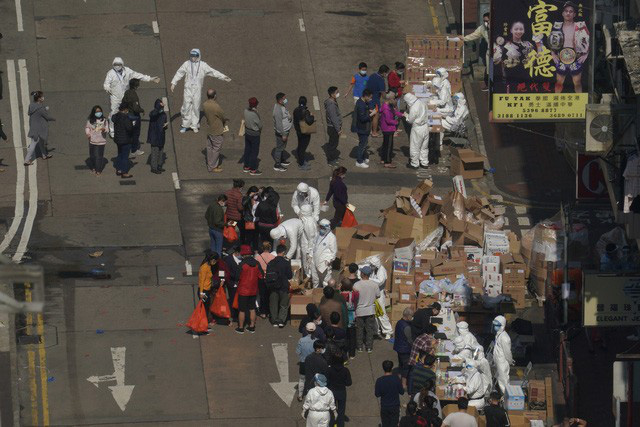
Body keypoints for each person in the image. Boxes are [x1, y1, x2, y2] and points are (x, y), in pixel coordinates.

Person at [170, 48, 231, 133]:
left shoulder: (203, 65)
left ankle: (194, 125)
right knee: (186, 107)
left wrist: (223, 77)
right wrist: (173, 83)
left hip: (197, 89)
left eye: (195, 57)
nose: (193, 58)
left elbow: (213, 72)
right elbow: (179, 73)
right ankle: (185, 125)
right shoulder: (186, 64)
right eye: (191, 56)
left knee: (196, 107)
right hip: (188, 89)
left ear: (198, 56)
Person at [103, 57, 159, 135]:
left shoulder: (127, 71)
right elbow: (106, 83)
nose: (117, 66)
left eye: (119, 64)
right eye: (115, 64)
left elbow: (138, 75)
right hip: (115, 97)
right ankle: (112, 129)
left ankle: (126, 126)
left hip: (126, 96)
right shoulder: (110, 73)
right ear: (113, 64)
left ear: (122, 64)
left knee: (127, 111)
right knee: (114, 112)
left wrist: (150, 79)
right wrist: (107, 88)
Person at [550, 2, 589, 93]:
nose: (568, 13)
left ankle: (579, 105)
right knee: (559, 82)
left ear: (574, 14)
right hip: (561, 56)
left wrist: (586, 54)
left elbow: (587, 41)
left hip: (576, 57)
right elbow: (552, 42)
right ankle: (556, 102)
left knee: (577, 82)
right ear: (563, 13)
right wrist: (553, 54)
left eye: (571, 11)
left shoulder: (580, 26)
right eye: (566, 11)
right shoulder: (557, 26)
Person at [492, 21, 535, 93]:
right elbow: (497, 61)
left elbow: (534, 61)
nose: (518, 31)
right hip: (510, 81)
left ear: (524, 30)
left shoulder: (528, 45)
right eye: (516, 29)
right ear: (511, 30)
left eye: (521, 29)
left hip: (526, 80)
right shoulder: (505, 46)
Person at [235, 244, 264, 334]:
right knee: (252, 308)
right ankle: (252, 326)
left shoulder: (242, 264)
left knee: (242, 310)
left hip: (243, 290)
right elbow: (261, 276)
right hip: (253, 290)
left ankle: (240, 328)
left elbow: (237, 277)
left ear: (243, 254)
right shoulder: (257, 263)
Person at [198, 251, 230, 324]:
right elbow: (202, 280)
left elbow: (226, 272)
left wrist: (223, 280)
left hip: (217, 286)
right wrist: (201, 292)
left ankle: (221, 318)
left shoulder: (219, 263)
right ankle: (210, 319)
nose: (214, 262)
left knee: (220, 303)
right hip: (210, 288)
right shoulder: (206, 266)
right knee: (210, 304)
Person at [353, 265, 380, 353]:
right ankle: (369, 347)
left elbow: (354, 298)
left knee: (359, 329)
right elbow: (378, 295)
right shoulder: (374, 285)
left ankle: (359, 346)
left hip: (359, 310)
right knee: (369, 330)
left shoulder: (356, 285)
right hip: (370, 310)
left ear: (363, 274)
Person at [24, 91, 54, 166]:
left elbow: (30, 113)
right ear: (39, 99)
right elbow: (47, 117)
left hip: (33, 126)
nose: (43, 98)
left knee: (41, 142)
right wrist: (54, 119)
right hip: (38, 128)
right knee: (33, 144)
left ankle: (44, 155)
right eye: (42, 97)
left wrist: (43, 109)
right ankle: (27, 160)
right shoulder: (40, 108)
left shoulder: (31, 105)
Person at [267, 244, 293, 327]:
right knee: (284, 305)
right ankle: (281, 320)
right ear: (283, 252)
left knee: (273, 304)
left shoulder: (271, 263)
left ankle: (274, 320)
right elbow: (289, 276)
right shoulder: (286, 263)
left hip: (273, 286)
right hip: (283, 286)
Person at [203, 89, 228, 172]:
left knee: (209, 147)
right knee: (216, 148)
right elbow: (222, 116)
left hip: (209, 128)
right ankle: (212, 166)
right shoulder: (216, 106)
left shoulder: (205, 104)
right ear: (215, 96)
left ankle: (210, 163)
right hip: (217, 129)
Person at [403, 92, 430, 170]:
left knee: (415, 146)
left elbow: (410, 120)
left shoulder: (414, 108)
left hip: (417, 128)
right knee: (424, 147)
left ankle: (414, 163)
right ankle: (424, 163)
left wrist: (406, 115)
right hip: (425, 127)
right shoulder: (422, 102)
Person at [374, 360, 404, 427]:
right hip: (395, 406)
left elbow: (377, 394)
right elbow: (402, 392)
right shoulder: (396, 379)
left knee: (385, 424)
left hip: (385, 406)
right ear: (392, 368)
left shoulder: (379, 380)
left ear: (383, 368)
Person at [351, 89, 375, 168]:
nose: (370, 99)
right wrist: (371, 114)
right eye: (370, 97)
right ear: (366, 96)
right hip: (362, 128)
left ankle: (363, 157)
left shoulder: (362, 102)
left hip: (364, 128)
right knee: (362, 144)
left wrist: (369, 111)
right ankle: (359, 161)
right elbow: (362, 118)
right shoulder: (361, 105)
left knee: (364, 143)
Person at [326, 352, 351, 427]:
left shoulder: (329, 370)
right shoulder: (345, 370)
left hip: (331, 392)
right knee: (341, 411)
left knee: (331, 411)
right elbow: (349, 383)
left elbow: (326, 381)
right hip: (341, 392)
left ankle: (331, 424)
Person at [369, 257, 392, 340]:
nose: (370, 266)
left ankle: (388, 331)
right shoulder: (373, 270)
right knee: (374, 314)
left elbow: (380, 281)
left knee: (381, 313)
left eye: (372, 265)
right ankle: (376, 331)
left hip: (379, 294)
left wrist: (368, 279)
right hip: (372, 293)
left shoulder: (381, 270)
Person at [379, 92, 404, 168]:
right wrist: (396, 122)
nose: (394, 100)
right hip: (388, 129)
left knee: (385, 144)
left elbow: (394, 111)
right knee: (389, 145)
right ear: (389, 99)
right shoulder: (387, 109)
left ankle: (383, 159)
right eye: (393, 98)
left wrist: (401, 114)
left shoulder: (386, 105)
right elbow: (388, 120)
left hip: (385, 128)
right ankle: (387, 162)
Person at [121, 78, 144, 156]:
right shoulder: (134, 95)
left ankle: (128, 147)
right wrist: (142, 110)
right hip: (134, 116)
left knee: (129, 132)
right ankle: (134, 150)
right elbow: (136, 108)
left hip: (127, 115)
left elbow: (123, 103)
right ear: (136, 86)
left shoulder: (127, 92)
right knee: (136, 133)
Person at [311, 219, 337, 288]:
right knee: (315, 279)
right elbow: (313, 245)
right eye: (320, 227)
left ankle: (326, 295)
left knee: (325, 281)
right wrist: (310, 255)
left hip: (324, 263)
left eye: (323, 228)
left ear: (327, 228)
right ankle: (315, 293)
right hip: (314, 261)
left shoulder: (331, 237)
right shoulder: (318, 234)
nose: (321, 229)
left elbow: (333, 252)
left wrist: (328, 260)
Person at [365, 65, 389, 137]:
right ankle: (374, 132)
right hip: (375, 99)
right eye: (387, 73)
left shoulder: (372, 75)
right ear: (384, 73)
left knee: (370, 115)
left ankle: (369, 130)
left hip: (368, 97)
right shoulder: (381, 80)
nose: (387, 74)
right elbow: (383, 94)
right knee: (376, 115)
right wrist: (388, 96)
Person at [111, 102, 134, 178]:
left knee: (120, 154)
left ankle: (119, 169)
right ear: (125, 109)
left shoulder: (116, 116)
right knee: (125, 156)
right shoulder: (126, 118)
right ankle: (124, 172)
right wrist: (132, 123)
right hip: (126, 140)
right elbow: (129, 128)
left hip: (118, 139)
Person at [297, 323, 319, 402]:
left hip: (303, 362)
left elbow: (298, 352)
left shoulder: (301, 340)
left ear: (306, 330)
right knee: (313, 380)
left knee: (302, 379)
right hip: (313, 363)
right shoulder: (316, 340)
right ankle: (313, 397)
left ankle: (300, 396)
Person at [84, 105, 108, 175]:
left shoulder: (104, 120)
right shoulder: (90, 120)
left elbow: (107, 128)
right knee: (93, 155)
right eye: (97, 111)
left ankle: (98, 170)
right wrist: (88, 134)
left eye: (100, 111)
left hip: (101, 141)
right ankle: (93, 166)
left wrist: (104, 130)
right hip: (92, 140)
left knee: (99, 156)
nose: (99, 113)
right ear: (94, 112)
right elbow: (87, 127)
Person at [492, 315, 513, 394]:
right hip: (498, 361)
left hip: (502, 362)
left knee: (503, 381)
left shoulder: (505, 338)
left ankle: (505, 398)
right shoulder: (498, 334)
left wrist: (510, 361)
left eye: (497, 325)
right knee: (499, 378)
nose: (495, 327)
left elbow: (507, 353)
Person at [293, 96, 315, 170]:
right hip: (305, 132)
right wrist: (312, 116)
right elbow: (309, 121)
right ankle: (301, 164)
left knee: (300, 146)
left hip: (299, 131)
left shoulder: (295, 110)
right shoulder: (306, 111)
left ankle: (301, 161)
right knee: (302, 148)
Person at [254, 239, 275, 317]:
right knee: (270, 295)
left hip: (261, 278)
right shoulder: (273, 257)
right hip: (270, 278)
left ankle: (263, 312)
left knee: (262, 296)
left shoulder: (258, 257)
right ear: (270, 248)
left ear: (262, 248)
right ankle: (269, 311)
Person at [272, 92, 292, 171]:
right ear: (280, 100)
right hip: (282, 132)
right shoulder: (277, 110)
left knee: (283, 146)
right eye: (284, 98)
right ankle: (277, 164)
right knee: (279, 148)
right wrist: (283, 134)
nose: (285, 100)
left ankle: (282, 160)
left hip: (286, 131)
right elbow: (279, 124)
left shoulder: (281, 106)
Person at [394, 306, 414, 384]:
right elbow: (410, 340)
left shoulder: (399, 322)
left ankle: (399, 377)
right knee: (406, 367)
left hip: (398, 347)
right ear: (408, 316)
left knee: (401, 364)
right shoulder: (407, 327)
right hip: (405, 349)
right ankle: (403, 384)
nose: (412, 318)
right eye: (412, 316)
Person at [340, 278, 359, 359]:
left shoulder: (340, 295)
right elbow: (357, 293)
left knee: (344, 336)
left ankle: (345, 351)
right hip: (352, 317)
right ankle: (352, 354)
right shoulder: (354, 294)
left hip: (343, 317)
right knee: (352, 336)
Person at [147, 98, 168, 174]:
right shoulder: (154, 113)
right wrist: (159, 108)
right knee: (155, 152)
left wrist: (165, 126)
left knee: (160, 152)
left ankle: (159, 165)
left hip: (161, 135)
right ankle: (154, 167)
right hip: (155, 136)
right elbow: (152, 114)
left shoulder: (163, 114)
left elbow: (165, 125)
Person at [243, 97, 262, 175]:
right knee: (254, 152)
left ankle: (246, 166)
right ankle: (253, 169)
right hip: (255, 134)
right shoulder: (255, 114)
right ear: (256, 105)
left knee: (247, 149)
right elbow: (260, 125)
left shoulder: (245, 111)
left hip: (247, 132)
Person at [324, 86, 342, 166]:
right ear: (332, 94)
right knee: (333, 144)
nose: (338, 93)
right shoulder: (331, 104)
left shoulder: (332, 101)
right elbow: (333, 118)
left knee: (334, 143)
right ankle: (330, 160)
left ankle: (333, 158)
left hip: (334, 127)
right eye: (336, 92)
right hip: (333, 128)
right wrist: (338, 129)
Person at [224, 245, 242, 323]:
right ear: (237, 252)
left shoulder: (241, 259)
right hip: (232, 283)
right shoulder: (228, 260)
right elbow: (228, 272)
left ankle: (239, 313)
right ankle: (234, 315)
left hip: (240, 283)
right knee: (233, 298)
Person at [300, 205, 318, 278]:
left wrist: (309, 251)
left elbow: (311, 238)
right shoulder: (307, 219)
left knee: (307, 264)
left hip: (307, 247)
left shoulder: (308, 223)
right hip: (305, 245)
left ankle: (308, 278)